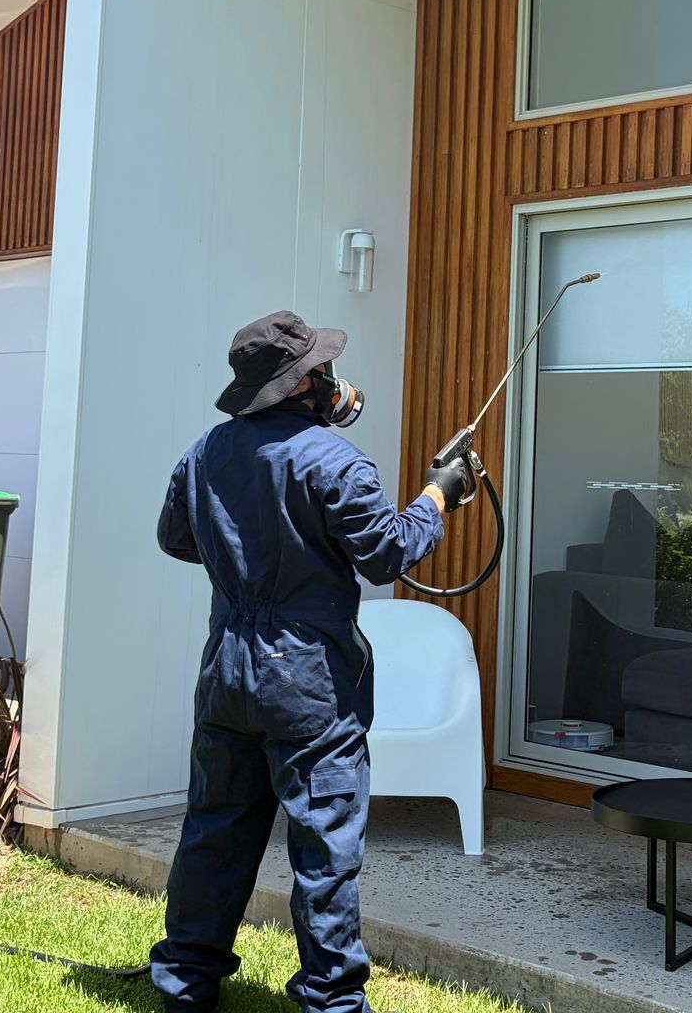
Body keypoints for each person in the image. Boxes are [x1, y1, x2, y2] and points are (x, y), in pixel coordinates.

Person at [149, 310, 476, 1013]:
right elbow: (388, 553)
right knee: (325, 850)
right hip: (309, 685)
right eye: (322, 368)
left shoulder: (205, 452)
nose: (333, 380)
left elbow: (177, 538)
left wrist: (251, 555)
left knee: (215, 830)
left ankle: (183, 983)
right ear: (305, 381)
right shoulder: (335, 460)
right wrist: (439, 494)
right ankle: (331, 1002)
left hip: (227, 675)